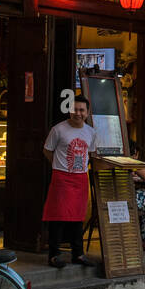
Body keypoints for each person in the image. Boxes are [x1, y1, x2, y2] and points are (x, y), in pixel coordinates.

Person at [42, 96, 99, 269]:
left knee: (77, 217)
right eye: (75, 109)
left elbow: (91, 154)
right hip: (62, 177)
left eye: (82, 110)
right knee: (57, 217)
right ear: (69, 110)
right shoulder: (58, 130)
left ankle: (78, 254)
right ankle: (54, 255)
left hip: (80, 178)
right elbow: (47, 150)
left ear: (87, 113)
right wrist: (59, 165)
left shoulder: (91, 132)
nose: (78, 113)